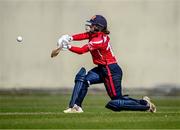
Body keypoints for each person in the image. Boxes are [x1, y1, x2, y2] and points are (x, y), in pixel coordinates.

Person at [51, 15, 156, 113]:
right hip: (102, 68)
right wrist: (70, 38)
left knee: (116, 102)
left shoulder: (99, 40)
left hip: (111, 70)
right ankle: (76, 107)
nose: (89, 26)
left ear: (98, 27)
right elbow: (84, 35)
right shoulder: (95, 35)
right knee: (83, 79)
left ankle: (145, 105)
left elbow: (82, 50)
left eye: (92, 24)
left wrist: (68, 47)